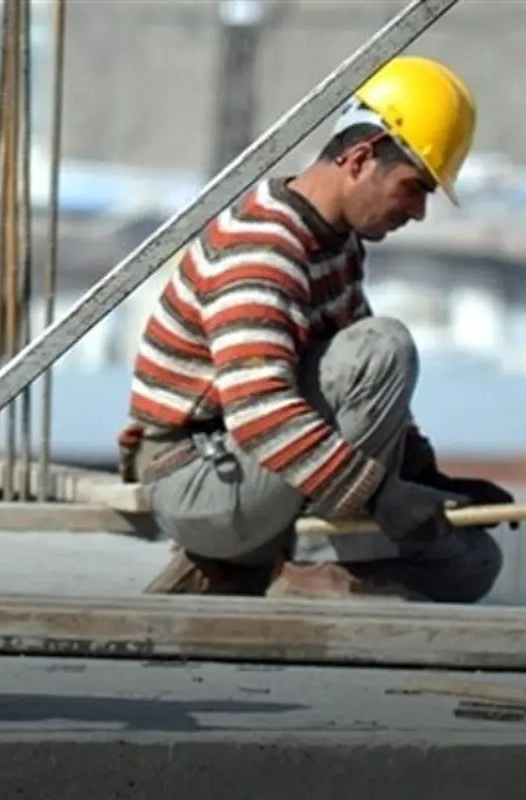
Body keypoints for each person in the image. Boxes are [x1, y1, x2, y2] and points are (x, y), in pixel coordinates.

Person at [117, 55, 516, 602]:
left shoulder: (337, 243)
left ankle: (301, 580)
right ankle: (302, 559)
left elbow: (369, 400)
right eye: (413, 186)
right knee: (382, 346)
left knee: (472, 563)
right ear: (359, 159)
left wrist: (428, 478)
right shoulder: (262, 247)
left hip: (267, 477)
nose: (419, 212)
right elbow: (260, 415)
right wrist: (382, 500)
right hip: (202, 482)